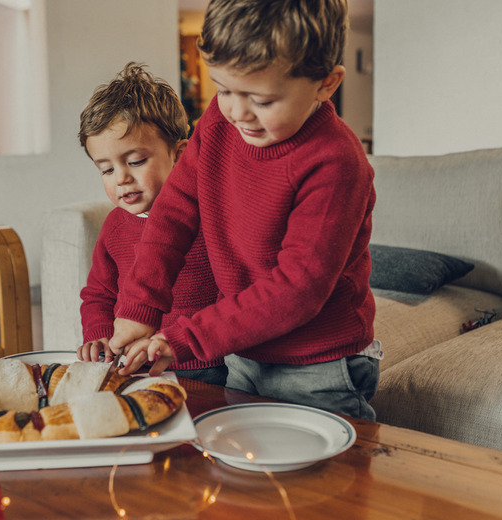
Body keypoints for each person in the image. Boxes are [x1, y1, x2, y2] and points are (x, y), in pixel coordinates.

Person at [108, 0, 382, 420]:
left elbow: (297, 289)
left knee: (329, 462)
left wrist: (186, 337)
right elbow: (173, 213)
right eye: (223, 89)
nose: (237, 112)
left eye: (262, 99)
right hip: (243, 350)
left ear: (326, 84)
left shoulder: (336, 161)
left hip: (318, 364)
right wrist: (138, 306)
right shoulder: (218, 122)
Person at [76, 62, 227, 386]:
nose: (121, 178)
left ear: (180, 155)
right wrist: (99, 335)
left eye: (136, 161)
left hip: (207, 363)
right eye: (106, 169)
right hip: (136, 365)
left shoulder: (210, 216)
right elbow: (99, 294)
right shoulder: (114, 227)